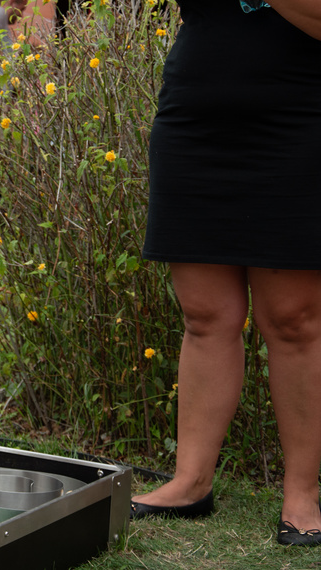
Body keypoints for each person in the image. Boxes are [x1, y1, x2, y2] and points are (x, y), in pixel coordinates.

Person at [132, 0, 321, 548]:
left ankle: (302, 494)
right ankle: (191, 482)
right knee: (205, 314)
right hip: (196, 116)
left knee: (293, 320)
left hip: (299, 116)